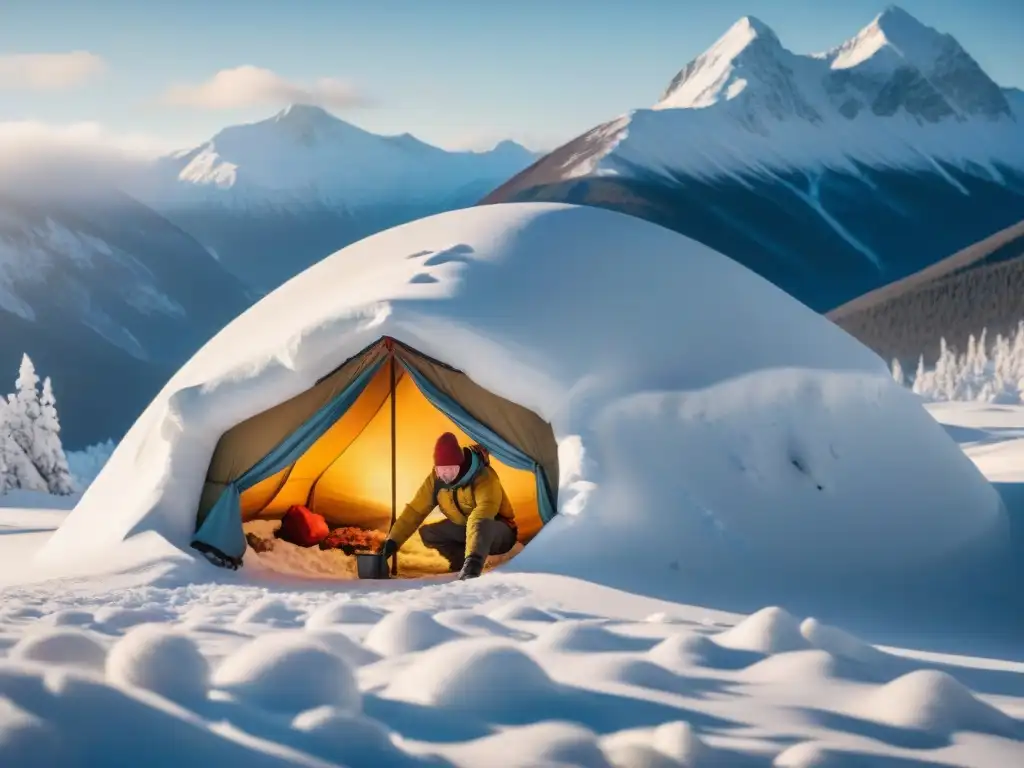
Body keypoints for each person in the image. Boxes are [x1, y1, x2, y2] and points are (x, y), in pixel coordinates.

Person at [379, 432, 518, 579]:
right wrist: (392, 542)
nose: (445, 475)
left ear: (460, 465)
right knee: (429, 533)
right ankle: (460, 564)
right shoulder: (437, 480)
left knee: (480, 524)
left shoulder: (483, 477)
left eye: (450, 470)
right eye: (441, 470)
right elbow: (415, 510)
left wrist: (473, 560)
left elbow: (482, 515)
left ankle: (472, 566)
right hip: (467, 527)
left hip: (499, 530)